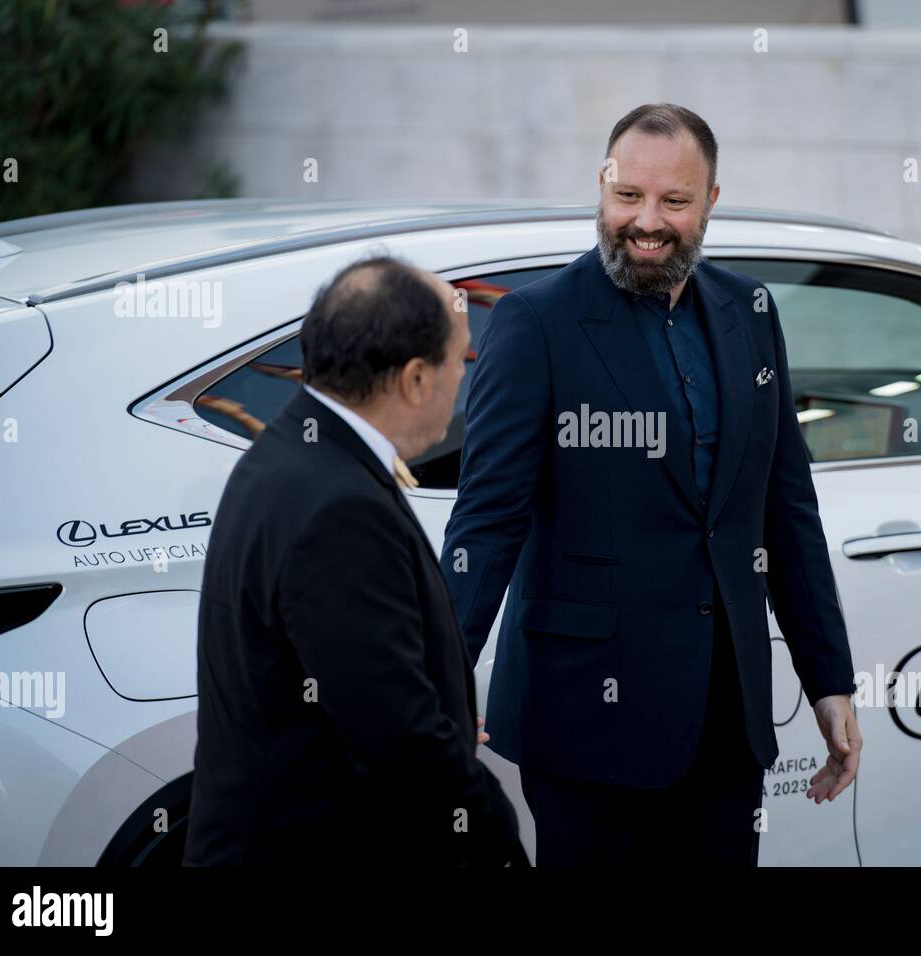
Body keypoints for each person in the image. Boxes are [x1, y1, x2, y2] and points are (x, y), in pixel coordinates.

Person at [441, 103, 862, 867]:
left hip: (726, 719)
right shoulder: (536, 322)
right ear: (600, 188)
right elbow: (487, 520)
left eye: (673, 201)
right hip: (586, 724)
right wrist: (439, 670)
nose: (646, 222)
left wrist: (827, 676)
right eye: (627, 196)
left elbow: (785, 507)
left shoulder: (751, 311)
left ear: (710, 203)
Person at [185, 256, 526, 866]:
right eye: (461, 362)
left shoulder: (287, 454)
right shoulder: (338, 507)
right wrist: (500, 842)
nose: (461, 383)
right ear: (416, 379)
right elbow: (400, 741)